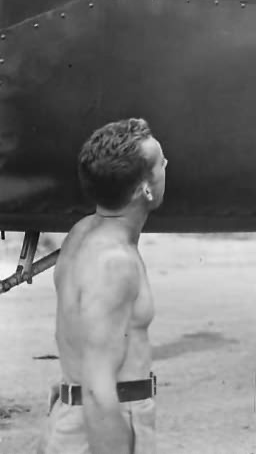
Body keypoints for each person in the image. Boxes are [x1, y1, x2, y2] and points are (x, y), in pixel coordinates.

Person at [38, 118, 167, 454]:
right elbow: (97, 390)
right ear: (145, 188)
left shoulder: (83, 231)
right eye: (161, 163)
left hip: (80, 420)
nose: (167, 167)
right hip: (103, 426)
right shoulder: (114, 263)